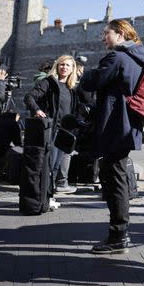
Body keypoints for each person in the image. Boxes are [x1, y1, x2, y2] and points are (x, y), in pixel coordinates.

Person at [81, 19, 144, 254]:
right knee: (116, 176)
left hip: (115, 126)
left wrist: (85, 74)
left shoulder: (117, 57)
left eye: (106, 33)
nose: (103, 38)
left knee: (115, 180)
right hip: (128, 125)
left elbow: (92, 82)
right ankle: (118, 231)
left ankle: (118, 234)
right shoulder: (139, 57)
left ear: (120, 34)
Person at [24, 55, 84, 197]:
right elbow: (29, 97)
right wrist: (38, 111)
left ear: (72, 69)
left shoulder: (73, 87)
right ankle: (44, 195)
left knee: (57, 165)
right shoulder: (49, 82)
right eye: (61, 64)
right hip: (52, 129)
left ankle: (50, 193)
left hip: (66, 131)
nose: (64, 67)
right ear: (56, 66)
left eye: (67, 65)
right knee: (49, 165)